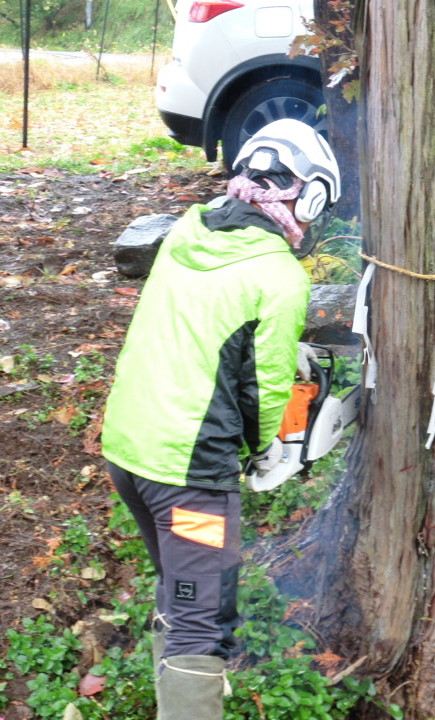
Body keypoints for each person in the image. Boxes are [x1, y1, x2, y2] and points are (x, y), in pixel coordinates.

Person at [100, 118, 340, 720]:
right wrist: (267, 450)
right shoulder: (281, 276)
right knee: (200, 621)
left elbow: (202, 324)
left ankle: (176, 694)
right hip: (190, 482)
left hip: (127, 448)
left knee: (181, 587)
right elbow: (262, 392)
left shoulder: (189, 229)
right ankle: (188, 696)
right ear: (309, 197)